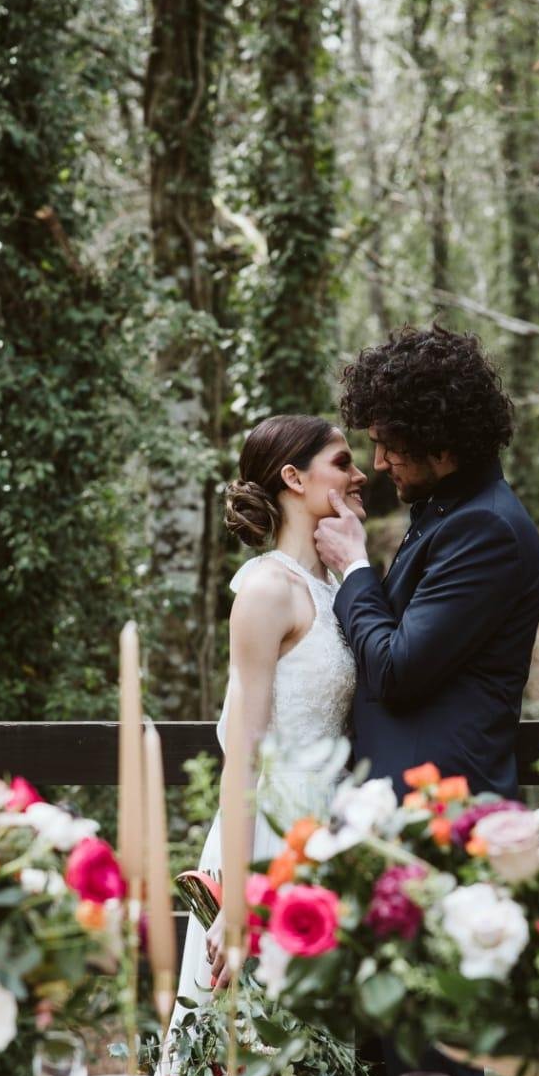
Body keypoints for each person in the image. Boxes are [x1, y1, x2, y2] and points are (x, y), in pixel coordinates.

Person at [314, 324, 539, 1076]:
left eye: (390, 445)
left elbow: (399, 667)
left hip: (444, 823)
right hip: (397, 820)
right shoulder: (448, 510)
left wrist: (351, 565)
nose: (380, 463)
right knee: (388, 1049)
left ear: (441, 442)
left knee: (433, 1060)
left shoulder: (487, 528)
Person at [168, 415, 366, 1029]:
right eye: (342, 462)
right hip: (269, 834)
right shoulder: (264, 590)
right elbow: (245, 751)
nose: (359, 475)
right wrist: (238, 900)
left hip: (330, 832)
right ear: (292, 477)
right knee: (256, 1040)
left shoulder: (336, 585)